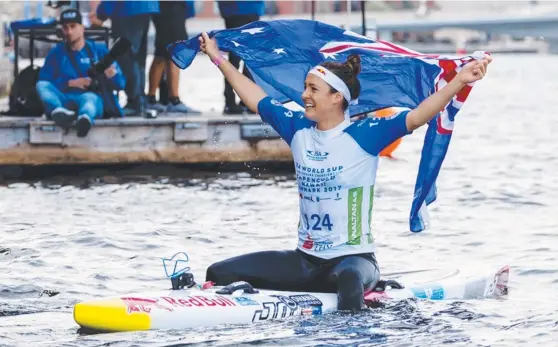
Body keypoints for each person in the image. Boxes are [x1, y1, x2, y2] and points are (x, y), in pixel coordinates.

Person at [198, 32, 492, 311]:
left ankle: (357, 322)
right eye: (305, 88)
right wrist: (217, 57)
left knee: (350, 278)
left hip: (353, 261)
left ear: (337, 97)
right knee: (218, 272)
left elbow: (418, 116)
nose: (304, 96)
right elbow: (255, 97)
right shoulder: (297, 128)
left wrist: (459, 82)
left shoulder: (366, 134)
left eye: (313, 89)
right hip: (305, 261)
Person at [36, 8, 125, 137]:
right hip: (64, 100)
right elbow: (44, 80)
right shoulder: (56, 53)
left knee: (90, 99)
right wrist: (69, 83)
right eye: (65, 28)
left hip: (90, 98)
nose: (69, 32)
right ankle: (58, 111)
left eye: (73, 26)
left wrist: (112, 75)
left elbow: (121, 84)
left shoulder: (99, 50)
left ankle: (84, 120)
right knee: (41, 85)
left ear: (82, 28)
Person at [90, 1, 159, 117]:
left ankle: (134, 101)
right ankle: (140, 100)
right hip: (145, 8)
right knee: (138, 57)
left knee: (125, 55)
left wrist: (101, 14)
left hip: (126, 10)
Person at [146, 0, 200, 115]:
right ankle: (171, 100)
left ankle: (158, 99)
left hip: (172, 7)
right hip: (169, 6)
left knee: (166, 52)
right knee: (168, 52)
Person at [216, 0, 264, 115]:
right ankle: (230, 101)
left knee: (250, 58)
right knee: (236, 58)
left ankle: (245, 100)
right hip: (235, 9)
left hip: (250, 8)